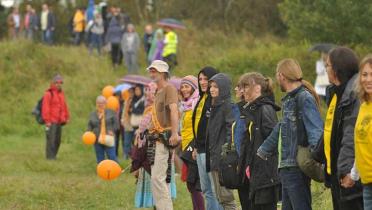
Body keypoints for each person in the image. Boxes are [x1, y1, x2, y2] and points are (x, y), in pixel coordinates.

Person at [257, 59, 324, 210]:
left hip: (296, 167)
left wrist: (320, 161)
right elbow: (281, 128)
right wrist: (263, 150)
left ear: (281, 76)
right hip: (286, 167)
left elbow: (315, 130)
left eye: (277, 75)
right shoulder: (289, 100)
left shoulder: (303, 98)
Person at [323, 47, 363, 210]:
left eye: (327, 65)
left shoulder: (354, 95)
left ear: (337, 69)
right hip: (336, 172)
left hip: (351, 176)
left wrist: (348, 171)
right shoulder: (336, 94)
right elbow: (330, 130)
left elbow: (352, 136)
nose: (325, 69)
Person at [237, 72, 280, 210]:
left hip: (266, 176)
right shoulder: (253, 109)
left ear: (257, 88)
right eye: (242, 87)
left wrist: (261, 165)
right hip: (255, 174)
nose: (243, 90)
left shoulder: (265, 109)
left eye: (246, 86)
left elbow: (273, 141)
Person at [147, 60, 180, 210]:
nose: (152, 73)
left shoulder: (169, 89)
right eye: (151, 71)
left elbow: (174, 111)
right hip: (154, 140)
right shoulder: (157, 91)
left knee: (158, 179)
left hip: (164, 139)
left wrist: (174, 132)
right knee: (158, 179)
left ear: (163, 73)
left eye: (155, 71)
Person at [191, 66, 221, 210]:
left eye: (206, 79)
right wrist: (196, 146)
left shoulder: (215, 100)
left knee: (216, 190)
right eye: (200, 79)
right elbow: (198, 126)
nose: (202, 82)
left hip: (211, 151)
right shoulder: (201, 99)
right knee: (206, 190)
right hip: (200, 149)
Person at [207, 73, 237, 209]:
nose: (212, 89)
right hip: (214, 158)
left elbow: (231, 131)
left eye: (216, 87)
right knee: (220, 197)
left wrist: (224, 155)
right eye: (211, 86)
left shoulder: (227, 106)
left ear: (223, 88)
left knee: (226, 198)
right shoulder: (214, 106)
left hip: (222, 159)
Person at [179, 75, 205, 210]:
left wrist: (195, 145)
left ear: (194, 88)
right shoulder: (186, 106)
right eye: (182, 87)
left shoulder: (197, 104)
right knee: (191, 185)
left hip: (193, 147)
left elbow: (199, 127)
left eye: (187, 86)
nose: (184, 89)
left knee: (194, 183)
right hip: (185, 147)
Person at [351, 54, 372, 209]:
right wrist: (354, 173)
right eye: (364, 74)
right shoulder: (364, 106)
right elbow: (361, 142)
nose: (368, 79)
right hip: (366, 183)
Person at [41, 74, 70, 160]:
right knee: (51, 140)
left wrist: (67, 116)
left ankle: (54, 155)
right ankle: (50, 157)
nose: (58, 84)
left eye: (60, 82)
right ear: (53, 83)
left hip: (59, 121)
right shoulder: (48, 93)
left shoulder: (61, 93)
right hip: (51, 121)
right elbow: (45, 108)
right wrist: (47, 121)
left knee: (58, 140)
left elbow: (64, 106)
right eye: (56, 82)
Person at [87, 96, 118, 163]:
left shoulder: (111, 112)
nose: (100, 105)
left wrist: (112, 131)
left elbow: (116, 125)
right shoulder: (92, 114)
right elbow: (89, 126)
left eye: (102, 103)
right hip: (97, 139)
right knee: (100, 158)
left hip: (109, 138)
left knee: (112, 157)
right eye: (98, 103)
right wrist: (89, 133)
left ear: (105, 104)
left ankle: (115, 170)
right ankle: (102, 171)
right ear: (96, 104)